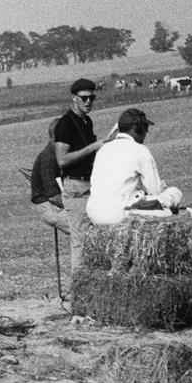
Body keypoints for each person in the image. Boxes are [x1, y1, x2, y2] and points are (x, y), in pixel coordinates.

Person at [54, 78, 117, 270]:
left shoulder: (86, 120)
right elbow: (62, 159)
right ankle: (79, 290)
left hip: (89, 185)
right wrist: (92, 148)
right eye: (84, 98)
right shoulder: (65, 124)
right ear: (74, 98)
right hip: (76, 186)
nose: (88, 102)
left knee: (94, 237)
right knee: (80, 241)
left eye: (92, 97)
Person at [87, 108, 182, 226]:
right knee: (175, 193)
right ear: (135, 128)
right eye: (145, 128)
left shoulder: (103, 149)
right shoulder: (140, 150)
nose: (146, 132)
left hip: (93, 213)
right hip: (118, 214)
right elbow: (155, 190)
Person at [29, 118, 70, 235]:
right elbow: (53, 197)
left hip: (54, 205)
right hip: (50, 207)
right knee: (87, 230)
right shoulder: (49, 158)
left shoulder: (55, 153)